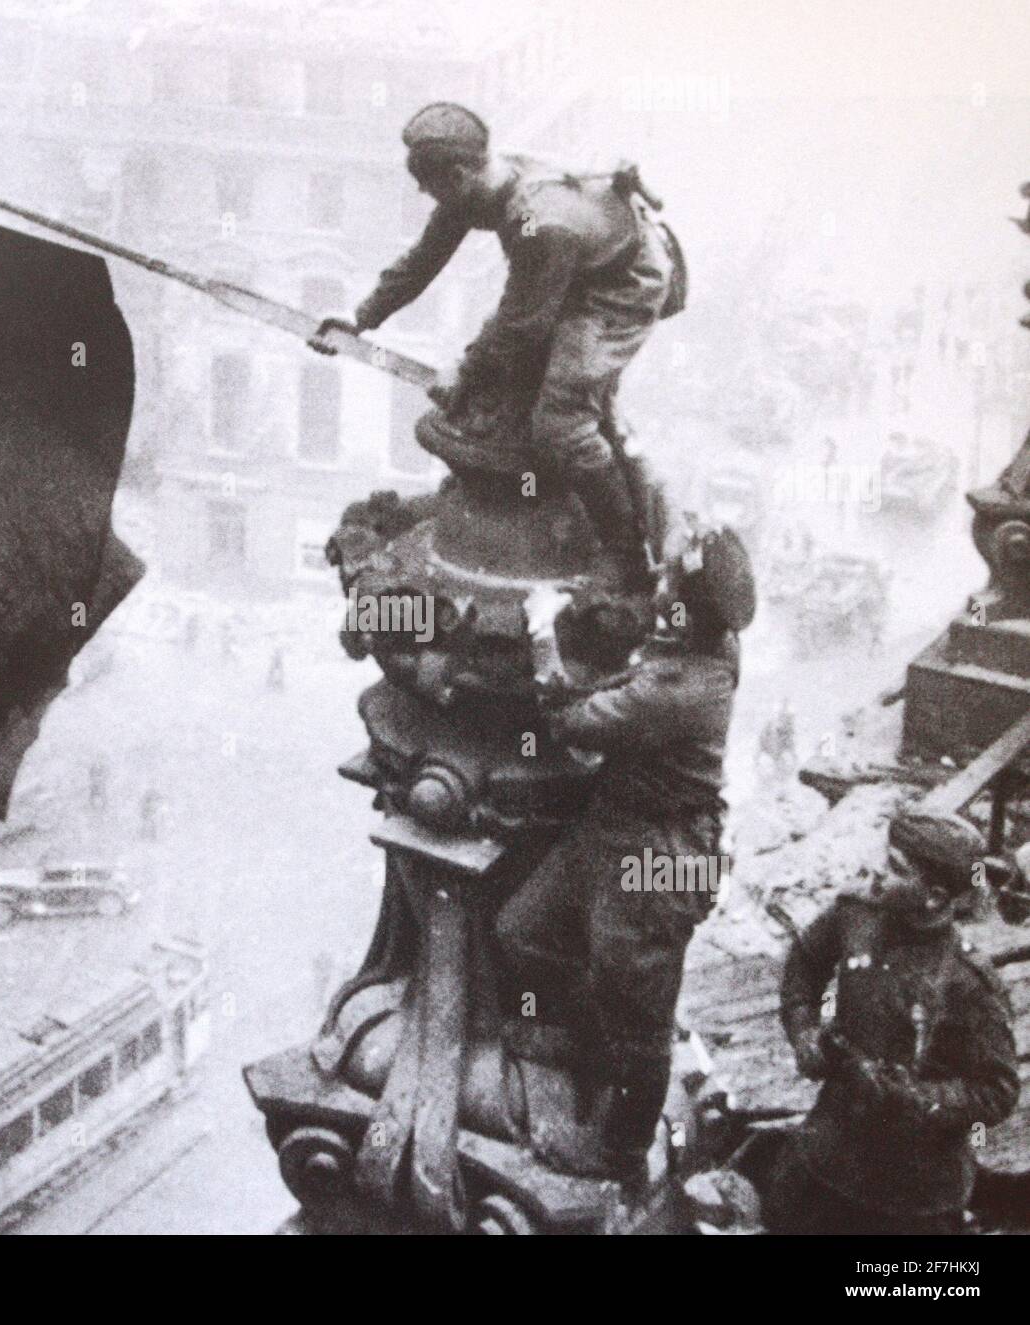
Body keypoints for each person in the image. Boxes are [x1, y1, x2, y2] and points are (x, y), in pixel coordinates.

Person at [495, 524, 754, 1185]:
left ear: (688, 612)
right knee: (522, 930)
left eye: (671, 585)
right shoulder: (712, 644)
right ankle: (589, 1038)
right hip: (617, 826)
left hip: (656, 856)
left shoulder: (679, 689)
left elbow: (568, 720)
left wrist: (543, 632)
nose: (660, 588)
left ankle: (619, 1152)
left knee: (642, 1019)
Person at [308, 102, 682, 555]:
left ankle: (626, 546)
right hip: (575, 267)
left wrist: (464, 373)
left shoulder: (536, 223)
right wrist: (361, 317)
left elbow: (522, 322)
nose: (426, 196)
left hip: (619, 287)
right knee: (522, 386)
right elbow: (423, 260)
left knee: (563, 422)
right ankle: (608, 491)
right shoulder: (482, 187)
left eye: (429, 187)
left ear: (460, 175)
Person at [767, 809, 1020, 1234]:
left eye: (895, 868)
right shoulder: (857, 915)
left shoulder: (967, 981)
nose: (877, 873)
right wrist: (803, 1030)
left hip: (914, 1189)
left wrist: (921, 1099)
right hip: (831, 1149)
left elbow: (998, 1089)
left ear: (935, 897)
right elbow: (806, 963)